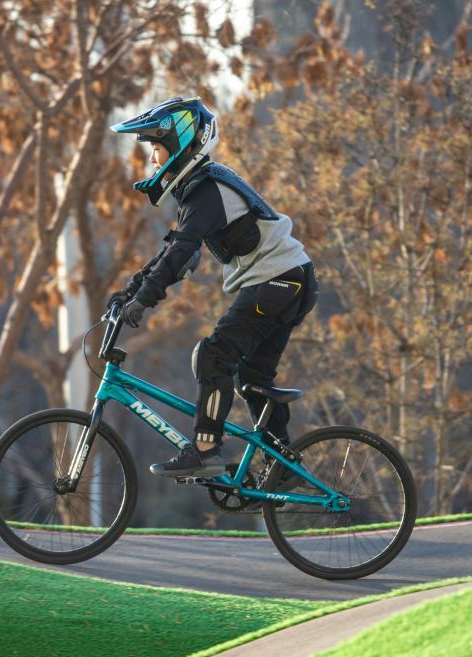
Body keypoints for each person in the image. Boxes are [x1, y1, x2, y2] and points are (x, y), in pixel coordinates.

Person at [108, 96, 318, 478]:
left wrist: (144, 300)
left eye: (156, 149)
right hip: (289, 281)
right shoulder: (201, 190)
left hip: (278, 282)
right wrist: (130, 292)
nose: (153, 160)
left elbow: (178, 255)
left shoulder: (207, 191)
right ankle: (281, 461)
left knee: (212, 356)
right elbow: (174, 252)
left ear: (178, 145)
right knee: (252, 378)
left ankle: (206, 450)